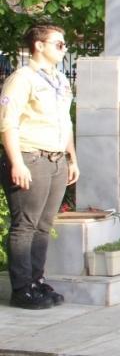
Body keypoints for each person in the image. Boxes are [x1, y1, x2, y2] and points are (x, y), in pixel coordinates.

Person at [0, 23, 80, 310]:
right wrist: (17, 163)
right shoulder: (22, 78)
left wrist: (71, 158)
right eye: (59, 44)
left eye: (64, 44)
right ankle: (22, 288)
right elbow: (7, 122)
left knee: (43, 226)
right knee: (25, 225)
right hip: (30, 157)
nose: (64, 48)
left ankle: (36, 281)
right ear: (39, 45)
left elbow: (65, 122)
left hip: (56, 159)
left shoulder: (60, 80)